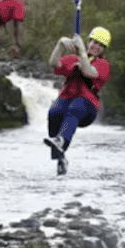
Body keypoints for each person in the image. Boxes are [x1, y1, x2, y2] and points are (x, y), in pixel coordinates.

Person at [43, 26, 112, 175]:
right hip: (67, 99)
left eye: (100, 45)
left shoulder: (103, 65)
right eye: (94, 42)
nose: (96, 47)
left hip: (87, 108)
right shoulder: (73, 59)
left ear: (103, 49)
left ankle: (61, 141)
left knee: (76, 106)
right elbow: (54, 64)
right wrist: (60, 44)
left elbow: (88, 71)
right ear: (89, 42)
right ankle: (60, 156)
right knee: (54, 112)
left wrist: (81, 51)